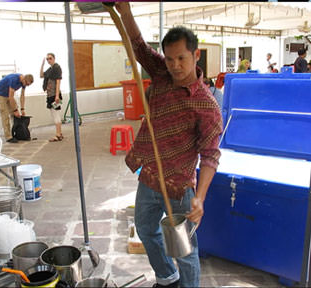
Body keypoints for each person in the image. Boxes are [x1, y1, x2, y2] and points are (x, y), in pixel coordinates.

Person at [116, 3, 222, 288]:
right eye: (169, 58)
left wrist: (198, 197)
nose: (174, 65)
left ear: (195, 55)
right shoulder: (162, 73)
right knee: (145, 230)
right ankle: (167, 277)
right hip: (149, 178)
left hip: (179, 188)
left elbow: (210, 156)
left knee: (184, 249)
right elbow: (138, 46)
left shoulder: (207, 105)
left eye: (181, 58)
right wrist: (123, 9)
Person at [0, 73, 33, 143]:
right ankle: (8, 137)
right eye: (26, 84)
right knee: (5, 115)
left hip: (8, 95)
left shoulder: (23, 82)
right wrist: (15, 110)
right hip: (0, 94)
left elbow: (22, 96)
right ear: (24, 79)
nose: (26, 86)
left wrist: (22, 109)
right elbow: (11, 97)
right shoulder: (14, 79)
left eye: (28, 85)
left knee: (16, 116)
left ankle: (18, 133)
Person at [40, 53, 63, 142]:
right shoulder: (50, 69)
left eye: (50, 58)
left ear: (54, 58)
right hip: (50, 95)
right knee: (54, 114)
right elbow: (41, 75)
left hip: (54, 95)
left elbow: (58, 82)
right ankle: (59, 134)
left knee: (55, 114)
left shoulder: (56, 68)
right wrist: (42, 65)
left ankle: (58, 134)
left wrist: (57, 96)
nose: (49, 60)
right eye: (47, 59)